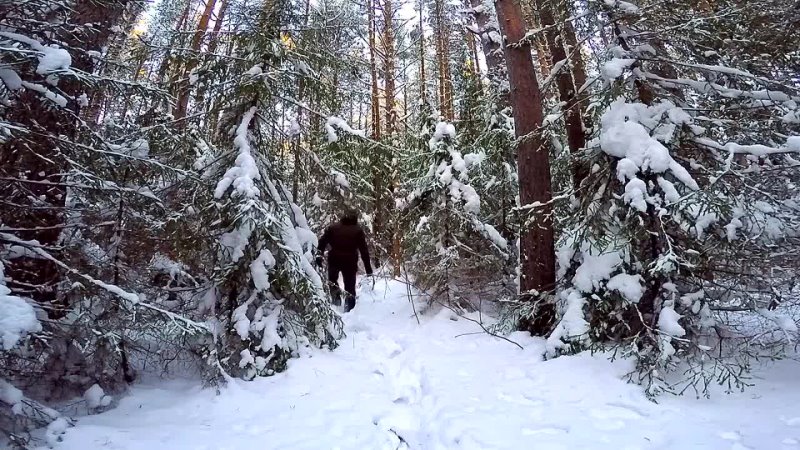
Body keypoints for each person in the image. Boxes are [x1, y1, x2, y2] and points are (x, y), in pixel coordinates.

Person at [316, 209, 373, 312]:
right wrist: (368, 269)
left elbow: (322, 242)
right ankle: (350, 308)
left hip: (334, 259)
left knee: (332, 281)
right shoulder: (357, 230)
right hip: (350, 261)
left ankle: (336, 301)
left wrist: (319, 256)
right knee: (350, 285)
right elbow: (364, 251)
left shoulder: (333, 228)